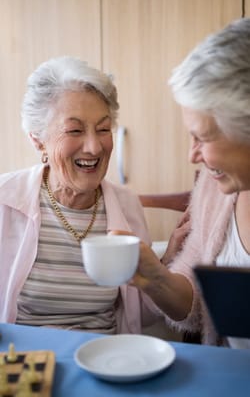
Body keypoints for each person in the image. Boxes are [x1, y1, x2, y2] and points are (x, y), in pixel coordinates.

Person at [0, 56, 166, 335]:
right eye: (75, 130)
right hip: (25, 363)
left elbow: (146, 313)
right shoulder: (5, 200)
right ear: (37, 138)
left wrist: (168, 264)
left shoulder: (126, 205)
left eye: (103, 129)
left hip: (104, 361)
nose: (94, 147)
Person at [114, 17, 250, 348]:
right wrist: (155, 278)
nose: (192, 156)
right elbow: (197, 308)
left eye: (202, 137)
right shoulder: (214, 190)